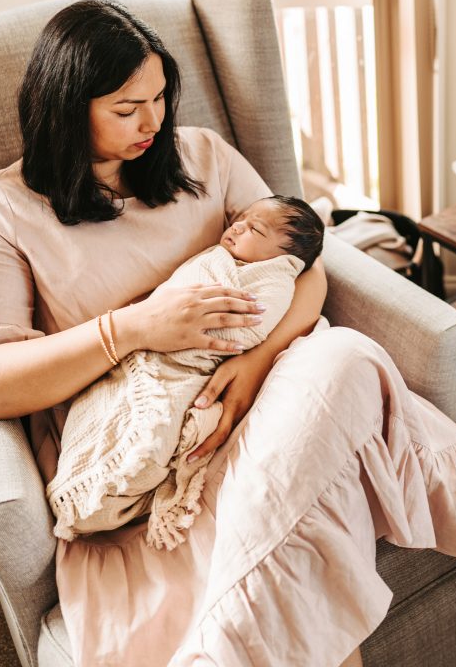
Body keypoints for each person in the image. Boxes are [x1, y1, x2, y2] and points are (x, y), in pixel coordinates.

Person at [0, 0, 456, 667]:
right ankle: (239, 638)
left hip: (265, 396)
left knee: (345, 354)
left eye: (160, 97)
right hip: (161, 448)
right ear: (64, 106)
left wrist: (256, 362)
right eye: (125, 109)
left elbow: (305, 268)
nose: (153, 122)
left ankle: (236, 633)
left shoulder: (203, 155)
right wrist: (134, 328)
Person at [47, 196, 325, 548]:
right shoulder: (217, 259)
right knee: (105, 411)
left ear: (284, 259)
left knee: (153, 444)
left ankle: (117, 494)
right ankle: (83, 483)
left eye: (254, 228)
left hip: (189, 368)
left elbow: (250, 328)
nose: (237, 225)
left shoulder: (273, 277)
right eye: (242, 218)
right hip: (140, 354)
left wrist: (217, 338)